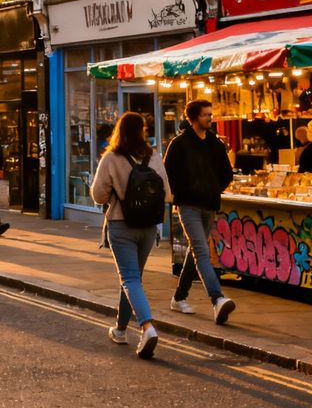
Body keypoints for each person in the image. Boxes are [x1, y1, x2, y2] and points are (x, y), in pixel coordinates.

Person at [93, 111, 171, 359]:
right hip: (149, 228)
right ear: (143, 131)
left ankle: (147, 327)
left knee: (129, 279)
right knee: (132, 278)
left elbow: (98, 196)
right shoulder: (154, 156)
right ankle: (120, 329)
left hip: (121, 224)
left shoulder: (111, 158)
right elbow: (168, 194)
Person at [163, 100, 237, 324]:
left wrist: (215, 189)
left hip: (209, 205)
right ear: (193, 118)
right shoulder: (179, 144)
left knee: (196, 250)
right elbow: (168, 174)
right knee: (202, 251)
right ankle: (217, 299)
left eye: (210, 114)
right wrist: (183, 193)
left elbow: (226, 173)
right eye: (205, 115)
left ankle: (179, 297)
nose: (210, 118)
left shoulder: (214, 144)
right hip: (189, 206)